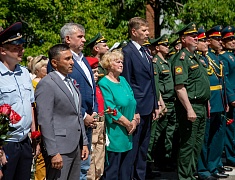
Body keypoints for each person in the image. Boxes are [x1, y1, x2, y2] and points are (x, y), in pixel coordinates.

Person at [48, 23, 98, 179]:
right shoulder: (59, 62)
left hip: (87, 122)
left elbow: (91, 88)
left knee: (84, 167)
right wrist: (84, 116)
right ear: (68, 39)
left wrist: (94, 109)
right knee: (72, 170)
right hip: (72, 124)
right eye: (80, 37)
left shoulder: (82, 60)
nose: (84, 40)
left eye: (84, 36)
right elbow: (62, 94)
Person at [35, 44, 89, 179]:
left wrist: (84, 142)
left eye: (72, 58)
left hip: (75, 145)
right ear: (54, 62)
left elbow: (77, 113)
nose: (72, 62)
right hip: (59, 148)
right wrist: (53, 152)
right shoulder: (47, 83)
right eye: (67, 59)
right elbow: (45, 120)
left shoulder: (70, 81)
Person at [171, 22, 210, 180]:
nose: (196, 38)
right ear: (183, 39)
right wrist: (189, 109)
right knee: (188, 145)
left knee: (197, 145)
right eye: (192, 36)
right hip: (191, 107)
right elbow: (180, 87)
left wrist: (206, 101)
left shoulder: (195, 58)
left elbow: (200, 83)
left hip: (200, 106)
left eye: (196, 36)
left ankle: (191, 175)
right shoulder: (181, 59)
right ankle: (185, 177)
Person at [121, 17, 159, 179]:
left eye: (147, 30)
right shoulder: (127, 52)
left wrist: (156, 104)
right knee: (133, 148)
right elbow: (127, 83)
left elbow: (151, 80)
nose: (147, 33)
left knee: (143, 148)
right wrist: (134, 110)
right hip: (136, 109)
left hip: (148, 106)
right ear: (134, 32)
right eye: (144, 31)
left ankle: (140, 177)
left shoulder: (145, 51)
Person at [0, 22, 36, 179]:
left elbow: (30, 105)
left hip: (24, 142)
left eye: (22, 47)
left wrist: (34, 135)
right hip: (6, 144)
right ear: (2, 50)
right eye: (16, 48)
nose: (22, 51)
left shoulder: (24, 73)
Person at [196, 26, 230, 180]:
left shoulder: (215, 58)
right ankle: (203, 169)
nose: (219, 42)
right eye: (215, 39)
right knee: (205, 137)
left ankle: (213, 165)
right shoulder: (201, 58)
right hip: (209, 102)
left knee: (217, 136)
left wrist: (225, 100)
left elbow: (222, 80)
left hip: (219, 102)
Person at [98, 50, 137, 179]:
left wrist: (135, 121)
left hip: (129, 132)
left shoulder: (123, 80)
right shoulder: (104, 83)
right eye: (117, 61)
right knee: (113, 171)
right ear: (109, 64)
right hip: (115, 132)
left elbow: (132, 100)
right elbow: (110, 109)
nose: (121, 64)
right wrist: (127, 124)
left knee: (126, 171)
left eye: (122, 61)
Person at [148, 34, 176, 172]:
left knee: (169, 134)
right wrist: (161, 102)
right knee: (157, 135)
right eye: (165, 45)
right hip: (164, 103)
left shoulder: (167, 62)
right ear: (158, 47)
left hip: (172, 102)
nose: (168, 47)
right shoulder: (155, 63)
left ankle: (166, 160)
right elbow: (156, 84)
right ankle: (152, 162)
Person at [86, 57, 105, 180]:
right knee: (91, 157)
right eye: (93, 72)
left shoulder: (97, 87)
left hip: (102, 123)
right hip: (93, 123)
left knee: (100, 156)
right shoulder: (87, 89)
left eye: (97, 72)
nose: (97, 75)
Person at [219, 26, 235, 168]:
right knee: (231, 130)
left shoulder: (231, 55)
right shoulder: (224, 57)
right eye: (229, 39)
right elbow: (226, 80)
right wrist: (231, 97)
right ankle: (231, 157)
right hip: (232, 98)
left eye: (233, 38)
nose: (233, 41)